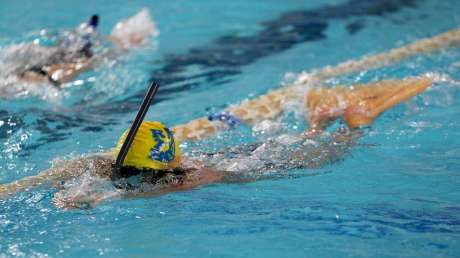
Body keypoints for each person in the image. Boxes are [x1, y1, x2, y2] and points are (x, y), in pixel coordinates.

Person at [0, 76, 432, 208]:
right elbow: (74, 169)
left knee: (317, 157)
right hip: (229, 157)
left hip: (244, 171)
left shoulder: (188, 177)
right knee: (294, 145)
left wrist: (93, 199)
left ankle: (352, 125)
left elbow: (123, 193)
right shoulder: (119, 166)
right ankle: (320, 123)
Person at [1, 8, 158, 89]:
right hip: (52, 58)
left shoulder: (45, 77)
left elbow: (68, 71)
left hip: (53, 63)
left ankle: (127, 40)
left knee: (90, 59)